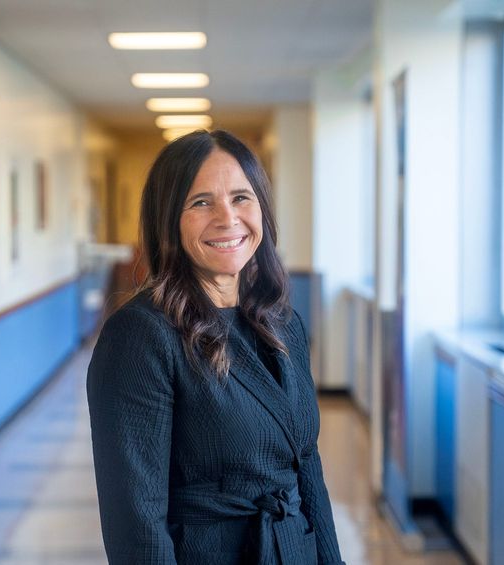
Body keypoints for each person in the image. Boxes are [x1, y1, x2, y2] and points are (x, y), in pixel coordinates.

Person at [87, 130, 344, 565]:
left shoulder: (282, 322)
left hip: (292, 547)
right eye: (201, 202)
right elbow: (136, 524)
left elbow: (307, 466)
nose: (228, 218)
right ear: (168, 220)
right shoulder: (140, 337)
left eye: (241, 197)